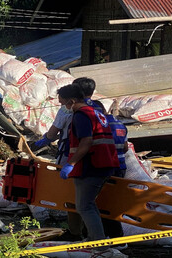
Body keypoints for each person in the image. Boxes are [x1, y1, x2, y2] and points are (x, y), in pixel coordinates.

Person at [59, 84, 119, 247]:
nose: (65, 107)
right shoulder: (96, 113)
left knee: (84, 206)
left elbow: (86, 142)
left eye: (64, 103)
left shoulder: (81, 116)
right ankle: (95, 237)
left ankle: (96, 241)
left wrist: (70, 164)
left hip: (91, 165)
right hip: (104, 163)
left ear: (72, 101)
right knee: (89, 204)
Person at [93, 100, 129, 246]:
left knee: (103, 204)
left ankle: (114, 238)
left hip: (106, 167)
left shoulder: (99, 125)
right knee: (111, 202)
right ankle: (115, 236)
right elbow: (125, 147)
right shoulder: (120, 124)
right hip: (120, 166)